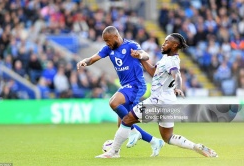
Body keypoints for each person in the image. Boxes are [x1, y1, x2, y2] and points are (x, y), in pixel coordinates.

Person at [95, 33, 218, 158]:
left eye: (166, 42)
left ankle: (114, 152)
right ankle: (195, 146)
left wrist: (179, 87)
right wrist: (139, 58)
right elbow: (153, 72)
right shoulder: (166, 59)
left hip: (157, 101)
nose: (163, 44)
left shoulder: (171, 61)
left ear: (175, 45)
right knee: (167, 137)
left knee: (126, 120)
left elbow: (177, 74)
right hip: (169, 103)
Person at [77, 26, 164, 157]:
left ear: (116, 37)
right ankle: (154, 142)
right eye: (105, 41)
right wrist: (85, 61)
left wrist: (139, 54)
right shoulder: (108, 49)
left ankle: (131, 134)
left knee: (113, 102)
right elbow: (93, 58)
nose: (107, 43)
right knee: (122, 126)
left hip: (136, 85)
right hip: (126, 86)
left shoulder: (131, 45)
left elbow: (145, 55)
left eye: (108, 40)